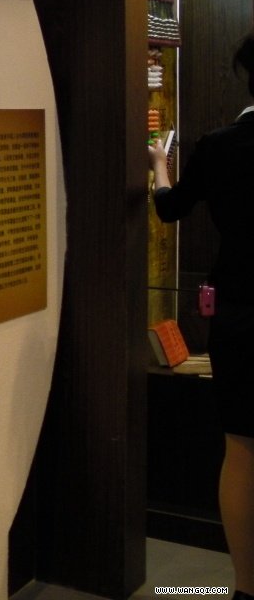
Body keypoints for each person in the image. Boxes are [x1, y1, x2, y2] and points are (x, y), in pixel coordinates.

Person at [148, 33, 254, 600]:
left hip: (241, 314)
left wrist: (158, 165)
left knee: (242, 451)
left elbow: (170, 208)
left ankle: (244, 587)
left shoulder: (220, 145)